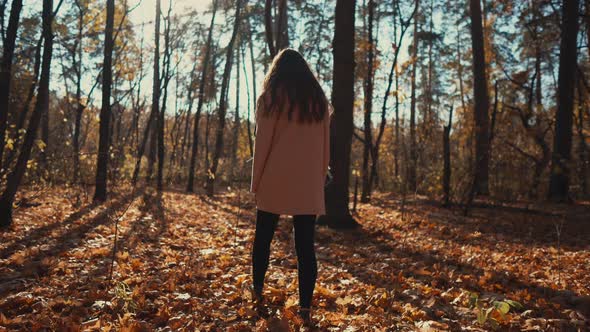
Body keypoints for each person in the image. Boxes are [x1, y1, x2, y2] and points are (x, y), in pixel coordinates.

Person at [250, 48, 331, 324]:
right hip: (307, 183)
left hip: (274, 178)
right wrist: (318, 180)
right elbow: (325, 150)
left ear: (277, 71)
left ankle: (256, 292)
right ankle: (305, 310)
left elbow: (262, 147)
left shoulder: (271, 99)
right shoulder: (319, 102)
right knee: (305, 247)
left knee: (263, 238)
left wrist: (255, 182)